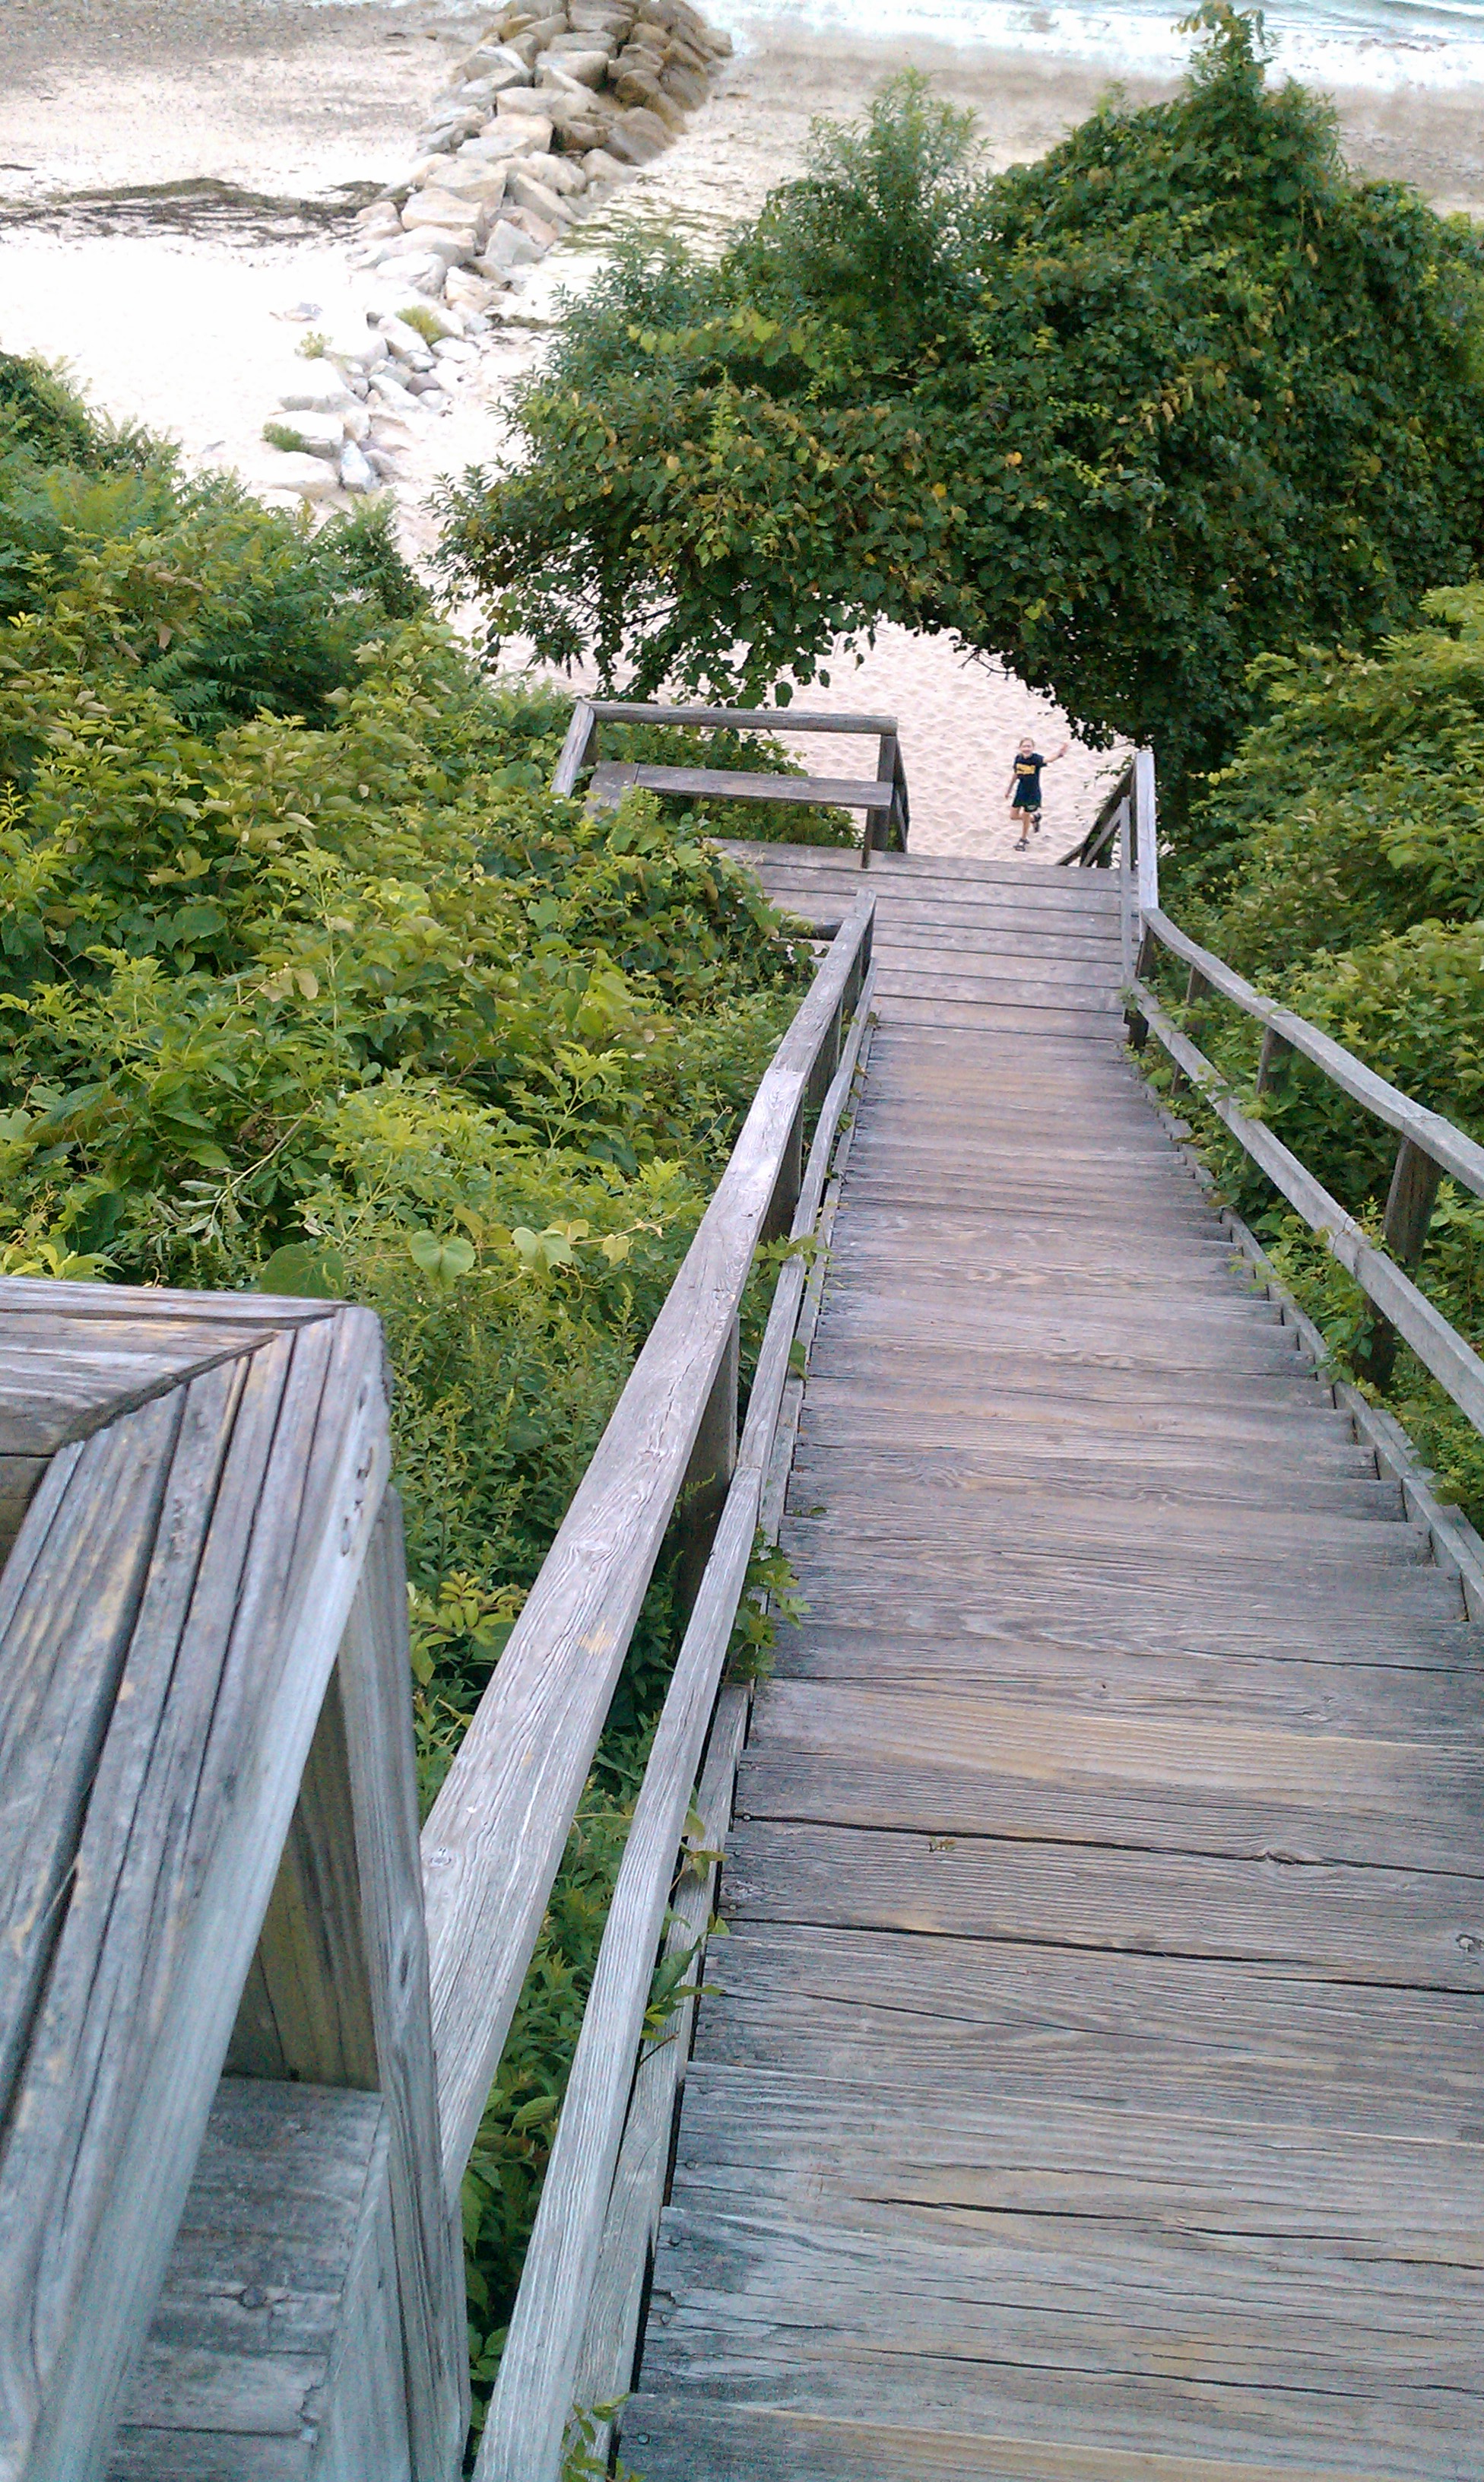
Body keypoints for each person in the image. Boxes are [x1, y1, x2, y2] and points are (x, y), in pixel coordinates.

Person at [1006, 736, 1068, 849]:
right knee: (1013, 816)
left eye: (1029, 746)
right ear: (1020, 748)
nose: (1026, 749)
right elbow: (1016, 774)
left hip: (1033, 794)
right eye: (1024, 746)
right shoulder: (1018, 759)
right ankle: (1034, 819)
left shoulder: (1036, 759)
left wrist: (1059, 754)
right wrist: (1009, 789)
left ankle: (1023, 839)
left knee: (1025, 816)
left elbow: (1048, 760)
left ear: (1033, 748)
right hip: (1021, 791)